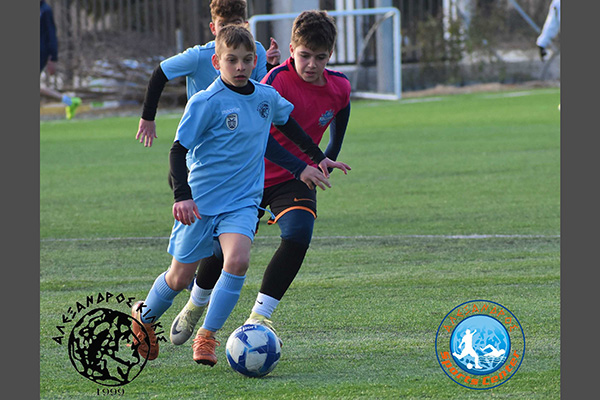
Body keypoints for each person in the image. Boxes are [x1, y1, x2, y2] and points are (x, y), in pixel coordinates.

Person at [130, 24, 350, 364]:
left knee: (237, 260)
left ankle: (206, 337)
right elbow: (178, 151)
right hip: (201, 201)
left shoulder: (265, 97)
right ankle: (143, 318)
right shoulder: (205, 102)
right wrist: (182, 196)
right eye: (232, 60)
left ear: (255, 61)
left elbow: (287, 124)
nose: (240, 67)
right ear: (217, 62)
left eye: (247, 60)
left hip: (243, 201)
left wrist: (316, 158)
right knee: (179, 277)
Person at [135, 0, 281, 148]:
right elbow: (160, 73)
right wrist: (148, 117)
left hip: (242, 139)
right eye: (223, 25)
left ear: (245, 25)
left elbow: (264, 90)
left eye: (236, 23)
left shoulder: (256, 50)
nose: (230, 30)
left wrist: (271, 66)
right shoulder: (198, 56)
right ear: (213, 28)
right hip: (204, 143)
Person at [40, 0, 81, 120]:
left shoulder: (45, 10)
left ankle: (70, 101)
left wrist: (53, 58)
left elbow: (52, 34)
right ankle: (70, 101)